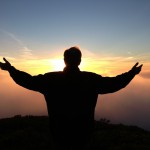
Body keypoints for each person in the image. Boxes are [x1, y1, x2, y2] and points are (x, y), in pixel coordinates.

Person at [0, 47, 143, 150]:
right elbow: (114, 83)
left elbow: (28, 80)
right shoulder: (91, 79)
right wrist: (131, 73)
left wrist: (11, 69)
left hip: (59, 134)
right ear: (80, 61)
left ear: (64, 60)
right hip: (83, 135)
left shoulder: (51, 79)